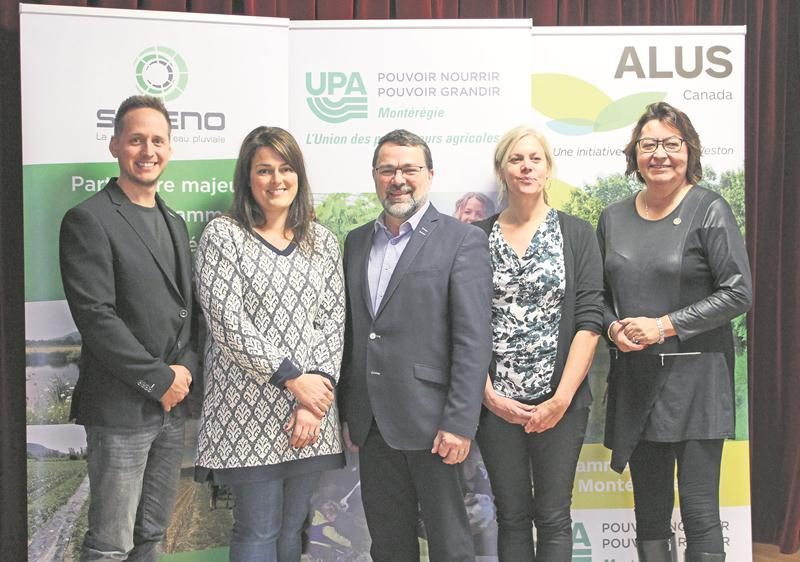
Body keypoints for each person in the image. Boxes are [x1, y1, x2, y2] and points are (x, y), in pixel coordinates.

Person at [597, 102, 752, 562]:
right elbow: (599, 295)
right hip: (637, 380)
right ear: (635, 153)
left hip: (698, 381)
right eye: (649, 144)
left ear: (689, 151)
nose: (660, 154)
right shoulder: (613, 218)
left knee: (701, 511)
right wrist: (611, 328)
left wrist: (664, 325)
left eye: (671, 143)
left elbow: (738, 292)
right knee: (649, 511)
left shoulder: (710, 209)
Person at [338, 129, 493, 561]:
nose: (398, 179)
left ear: (429, 175)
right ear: (374, 176)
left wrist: (461, 422)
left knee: (450, 546)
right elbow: (355, 333)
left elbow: (473, 339)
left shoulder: (462, 240)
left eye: (409, 168)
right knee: (388, 545)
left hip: (435, 425)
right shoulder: (355, 242)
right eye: (388, 169)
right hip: (372, 425)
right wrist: (350, 412)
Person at [193, 126, 345, 561]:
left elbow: (332, 322)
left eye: (285, 168)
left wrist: (312, 397)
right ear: (247, 178)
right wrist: (293, 381)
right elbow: (227, 322)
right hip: (246, 415)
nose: (277, 180)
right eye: (264, 170)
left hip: (309, 417)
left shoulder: (322, 242)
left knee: (292, 530)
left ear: (298, 175)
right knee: (258, 530)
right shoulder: (223, 236)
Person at [59, 95, 198, 561]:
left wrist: (184, 374)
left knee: (152, 538)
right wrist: (160, 380)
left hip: (172, 409)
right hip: (121, 408)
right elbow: (97, 318)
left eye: (158, 140)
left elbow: (188, 313)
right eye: (136, 139)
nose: (148, 150)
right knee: (110, 544)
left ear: (170, 150)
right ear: (115, 144)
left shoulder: (175, 222)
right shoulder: (89, 219)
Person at [473, 126, 603, 560]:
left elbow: (589, 322)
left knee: (552, 515)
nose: (526, 166)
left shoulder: (577, 234)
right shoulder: (475, 237)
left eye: (535, 159)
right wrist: (488, 396)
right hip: (496, 406)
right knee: (510, 515)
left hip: (560, 405)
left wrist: (560, 400)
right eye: (516, 159)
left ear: (548, 169)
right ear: (502, 171)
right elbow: (463, 324)